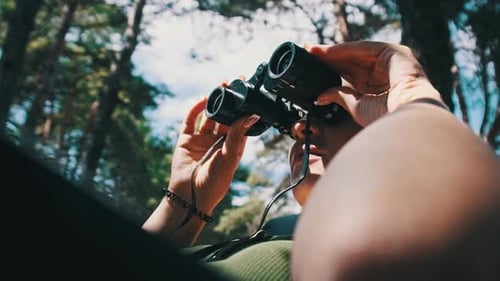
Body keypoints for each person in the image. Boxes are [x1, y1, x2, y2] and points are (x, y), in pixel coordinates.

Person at [142, 41, 500, 280]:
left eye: (333, 114)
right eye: (301, 118)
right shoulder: (266, 240)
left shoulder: (357, 252)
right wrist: (185, 205)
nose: (301, 127)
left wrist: (411, 97)